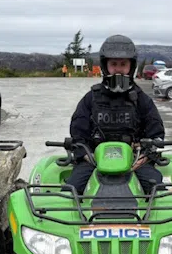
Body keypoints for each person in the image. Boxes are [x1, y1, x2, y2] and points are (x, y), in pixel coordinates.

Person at [64, 34, 166, 195]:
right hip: (94, 161)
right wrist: (86, 156)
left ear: (131, 67)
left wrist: (145, 156)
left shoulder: (142, 100)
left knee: (157, 190)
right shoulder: (91, 98)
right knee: (70, 190)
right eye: (114, 64)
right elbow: (78, 134)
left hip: (134, 160)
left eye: (123, 64)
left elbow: (156, 134)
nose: (118, 69)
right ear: (105, 66)